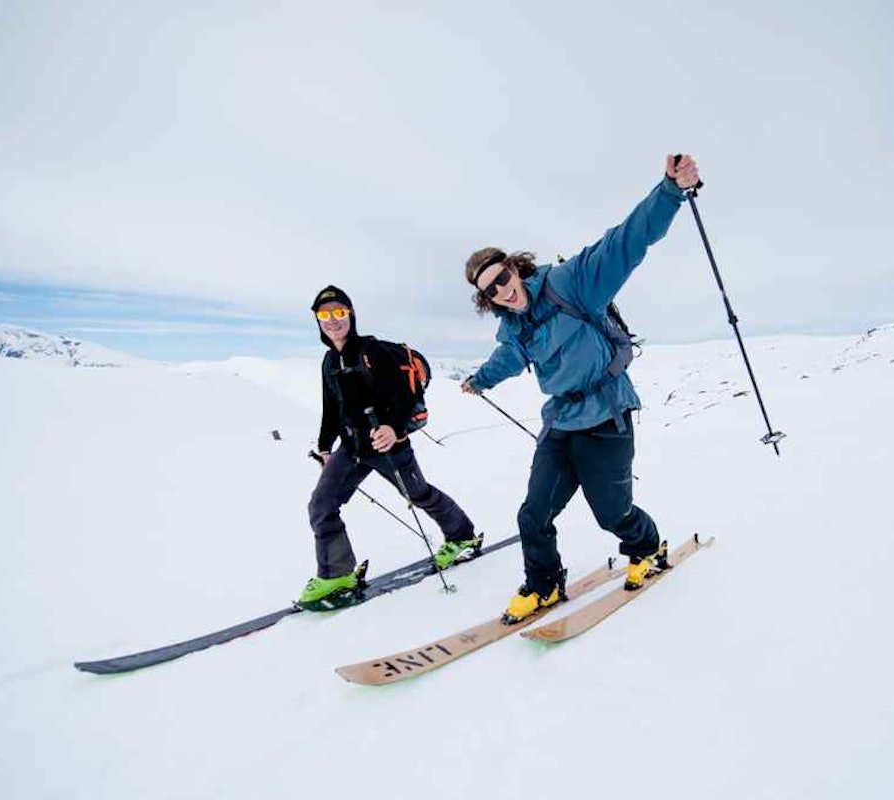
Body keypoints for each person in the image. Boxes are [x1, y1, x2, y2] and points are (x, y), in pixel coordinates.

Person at [461, 154, 702, 624]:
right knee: (533, 514)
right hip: (561, 422)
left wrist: (671, 191)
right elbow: (507, 359)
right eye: (491, 290)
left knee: (613, 514)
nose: (503, 291)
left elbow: (625, 242)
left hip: (607, 414)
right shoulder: (514, 329)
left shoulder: (570, 283)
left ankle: (647, 547)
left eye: (503, 278)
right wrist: (480, 380)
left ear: (514, 268)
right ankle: (544, 584)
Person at [299, 285, 480, 607]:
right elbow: (331, 408)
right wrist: (325, 446)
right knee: (321, 505)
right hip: (351, 448)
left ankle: (462, 537)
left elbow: (403, 397)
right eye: (324, 315)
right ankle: (337, 575)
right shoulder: (329, 360)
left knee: (419, 495)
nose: (332, 320)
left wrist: (392, 429)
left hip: (388, 446)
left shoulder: (373, 351)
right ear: (318, 320)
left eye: (339, 312)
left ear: (351, 315)